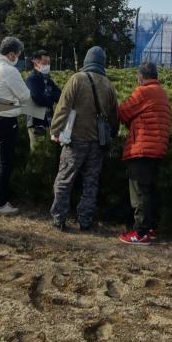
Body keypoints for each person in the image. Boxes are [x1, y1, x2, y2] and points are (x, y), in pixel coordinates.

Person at [50, 46, 119, 231]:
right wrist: (113, 133)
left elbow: (63, 107)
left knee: (64, 179)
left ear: (86, 61)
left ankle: (59, 218)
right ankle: (85, 220)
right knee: (91, 182)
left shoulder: (77, 79)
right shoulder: (108, 85)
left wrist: (56, 130)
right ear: (102, 63)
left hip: (75, 140)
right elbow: (114, 116)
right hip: (97, 143)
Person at [117, 62, 171, 246]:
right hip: (157, 147)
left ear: (141, 77)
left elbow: (123, 113)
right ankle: (151, 228)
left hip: (142, 147)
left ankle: (139, 232)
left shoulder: (143, 91)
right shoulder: (161, 92)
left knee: (139, 191)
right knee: (150, 190)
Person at [0, 36, 30, 216]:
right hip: (7, 120)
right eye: (17, 54)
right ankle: (0, 203)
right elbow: (24, 96)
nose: (18, 57)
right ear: (11, 54)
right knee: (5, 163)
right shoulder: (9, 71)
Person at [25, 49, 61, 152]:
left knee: (49, 153)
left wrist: (47, 95)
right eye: (45, 63)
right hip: (36, 123)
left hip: (49, 121)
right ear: (36, 62)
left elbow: (60, 95)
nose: (48, 65)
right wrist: (50, 98)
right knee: (38, 153)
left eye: (49, 63)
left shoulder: (48, 80)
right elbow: (38, 98)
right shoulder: (32, 79)